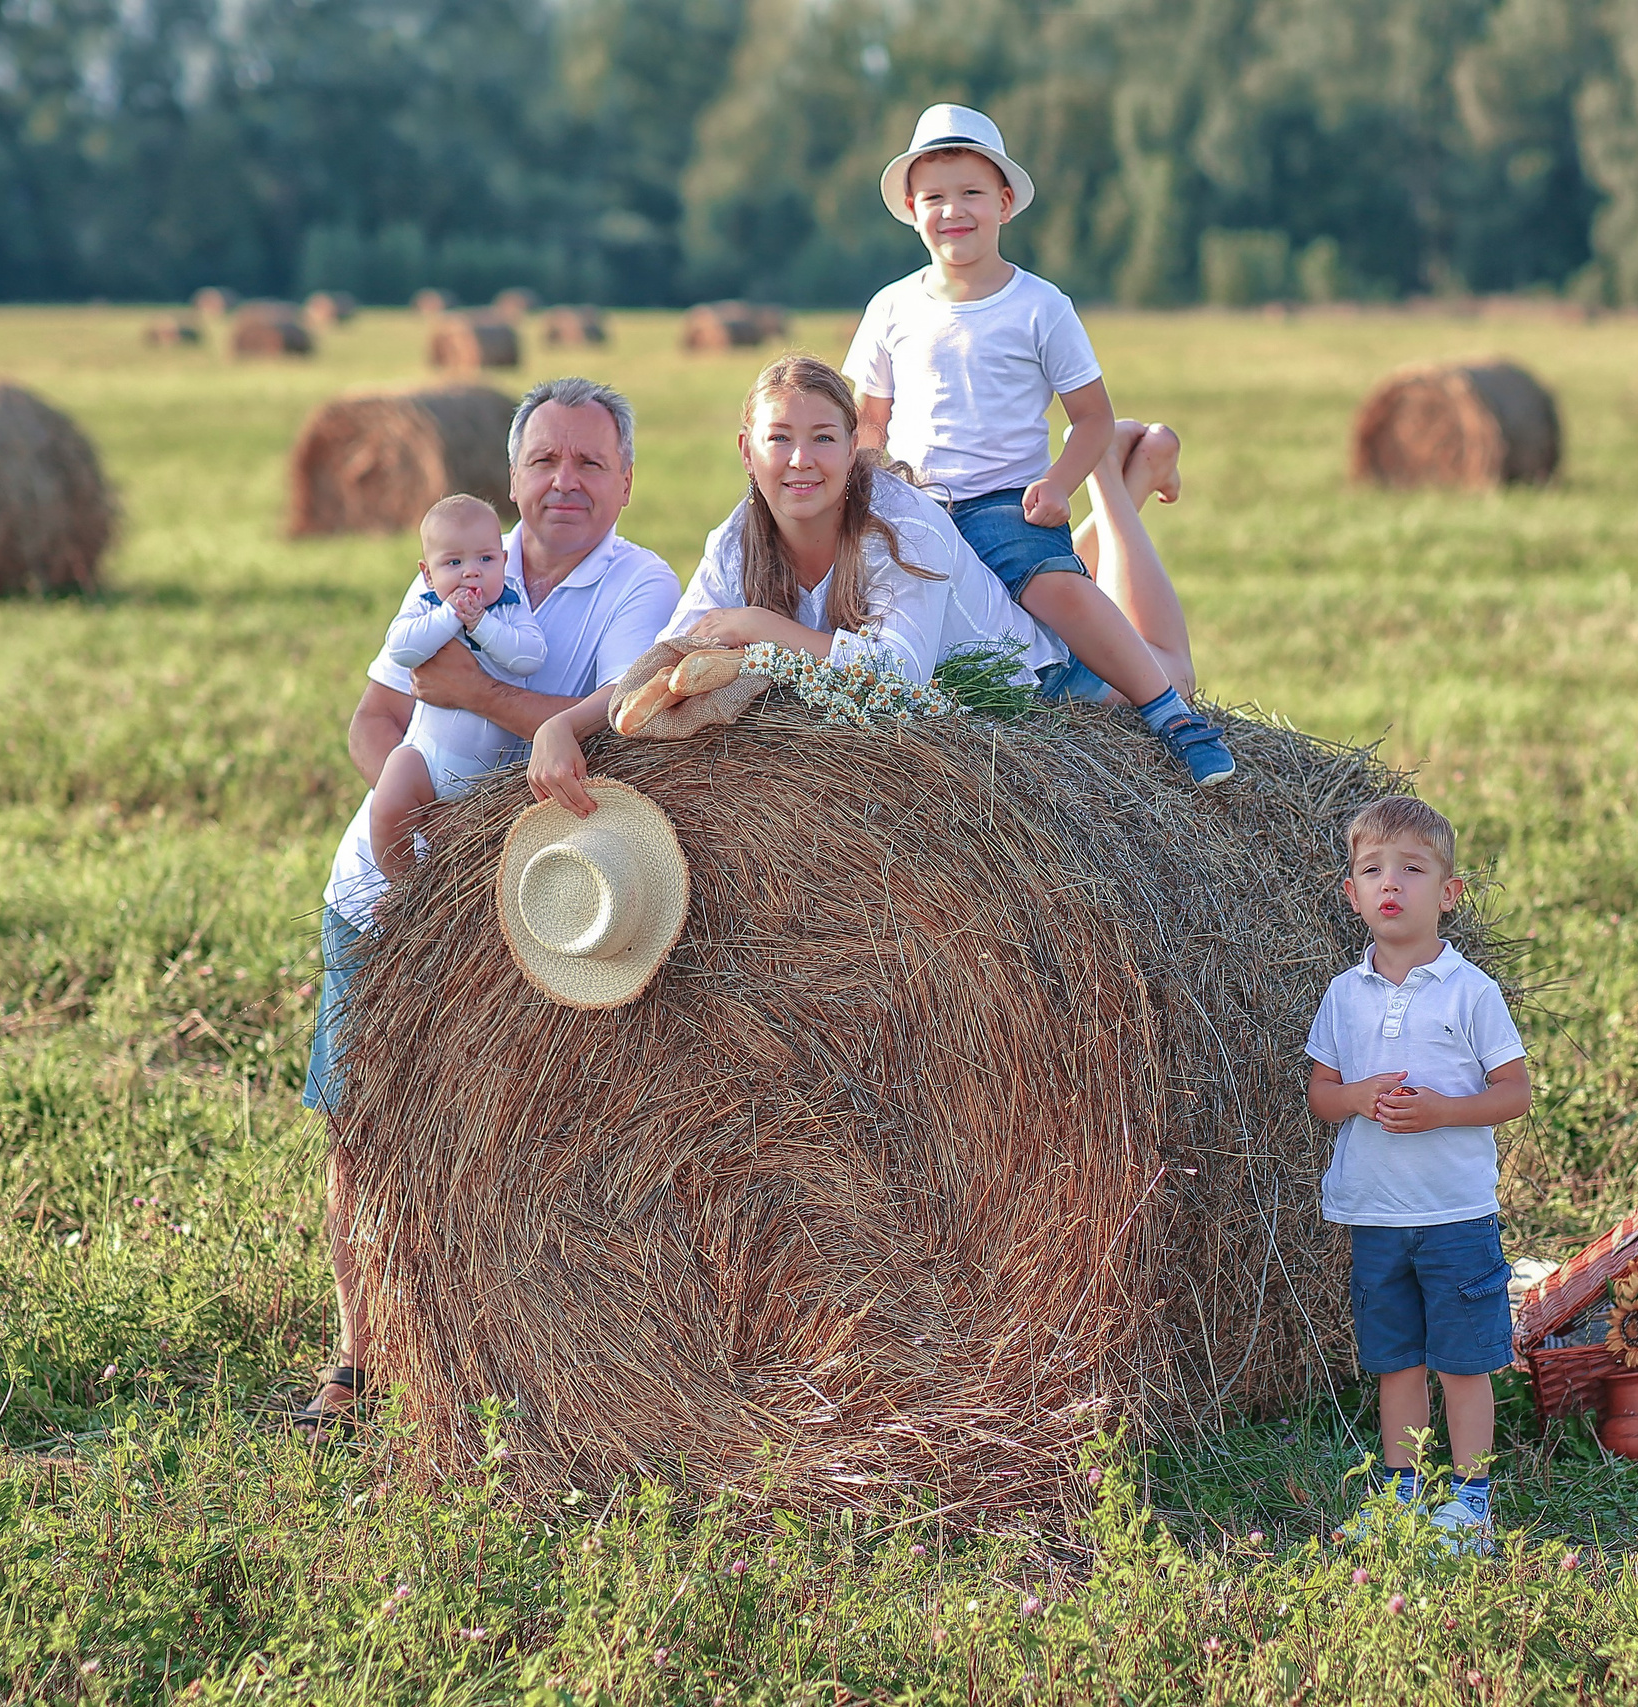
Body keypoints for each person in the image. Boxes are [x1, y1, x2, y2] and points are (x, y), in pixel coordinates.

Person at [295, 376, 682, 1437]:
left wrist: (472, 700)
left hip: (543, 903)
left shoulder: (641, 586)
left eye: (590, 462)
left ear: (625, 480)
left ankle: (512, 1355)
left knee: (525, 1128)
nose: (565, 481)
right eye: (545, 460)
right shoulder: (454, 564)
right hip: (382, 894)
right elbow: (376, 715)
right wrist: (409, 797)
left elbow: (611, 726)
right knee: (358, 1127)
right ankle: (358, 1359)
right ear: (512, 475)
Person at [844, 102, 1237, 787]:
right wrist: (865, 492)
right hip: (916, 504)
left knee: (1057, 593)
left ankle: (1171, 712)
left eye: (971, 193)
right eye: (935, 197)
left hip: (1004, 501)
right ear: (910, 209)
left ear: (1003, 203)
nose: (953, 211)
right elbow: (867, 423)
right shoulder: (890, 307)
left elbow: (1089, 415)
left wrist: (1057, 484)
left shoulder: (1040, 306)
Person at [528, 354, 1084, 811]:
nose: (801, 460)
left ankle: (1118, 481)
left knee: (1170, 667)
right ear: (747, 452)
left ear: (851, 448)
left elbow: (901, 675)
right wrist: (565, 725)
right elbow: (669, 657)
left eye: (822, 438)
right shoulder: (734, 541)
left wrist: (758, 626)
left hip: (1030, 692)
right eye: (779, 439)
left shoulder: (902, 526)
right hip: (911, 734)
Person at [1304, 797, 1531, 1554]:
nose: (1389, 882)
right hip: (1376, 1212)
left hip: (1454, 1213)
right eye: (1372, 869)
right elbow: (1321, 1095)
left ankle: (1471, 1503)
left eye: (1411, 867)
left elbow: (1514, 1093)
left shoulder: (1471, 992)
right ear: (1352, 892)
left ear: (1449, 892)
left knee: (1464, 1362)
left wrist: (1442, 1110)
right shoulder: (1344, 993)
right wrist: (1360, 1096)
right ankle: (1402, 1492)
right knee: (1396, 1360)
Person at [367, 493, 547, 876]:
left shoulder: (511, 605)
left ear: (503, 559)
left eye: (485, 559)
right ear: (428, 573)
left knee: (485, 847)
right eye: (454, 562)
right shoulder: (429, 605)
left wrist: (482, 625)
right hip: (426, 757)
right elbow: (401, 648)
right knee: (388, 801)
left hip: (490, 777)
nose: (471, 573)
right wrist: (450, 616)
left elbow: (530, 656)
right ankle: (405, 886)